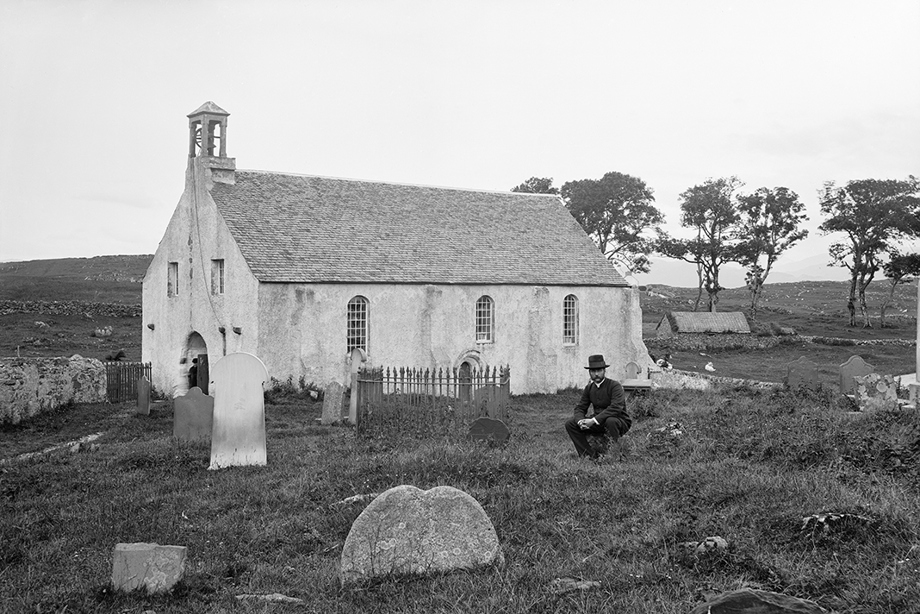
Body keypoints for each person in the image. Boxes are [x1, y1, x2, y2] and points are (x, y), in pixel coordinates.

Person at [564, 354, 631, 459]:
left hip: (619, 421)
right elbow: (580, 407)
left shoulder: (614, 386)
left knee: (611, 420)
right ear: (589, 372)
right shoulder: (589, 388)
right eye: (593, 371)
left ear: (604, 371)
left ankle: (616, 454)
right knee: (570, 424)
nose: (596, 374)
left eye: (599, 371)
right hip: (598, 421)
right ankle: (589, 455)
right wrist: (580, 421)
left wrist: (593, 420)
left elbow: (616, 407)